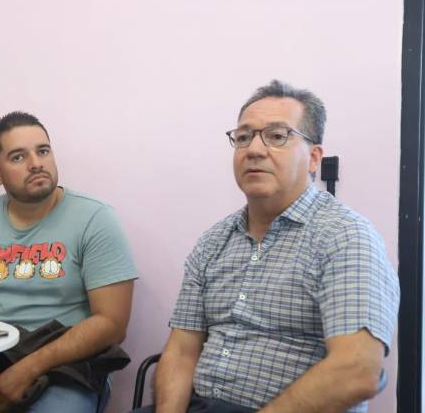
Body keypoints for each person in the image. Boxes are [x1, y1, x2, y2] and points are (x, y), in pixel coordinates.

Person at [141, 80, 400, 413]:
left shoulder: (346, 237)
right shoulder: (213, 241)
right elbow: (181, 350)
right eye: (244, 137)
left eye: (277, 136)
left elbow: (357, 371)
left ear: (313, 157)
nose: (254, 150)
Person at [0, 111, 138, 412]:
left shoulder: (95, 219)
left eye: (43, 151)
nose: (36, 163)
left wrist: (26, 370)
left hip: (64, 364)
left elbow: (112, 324)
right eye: (18, 157)